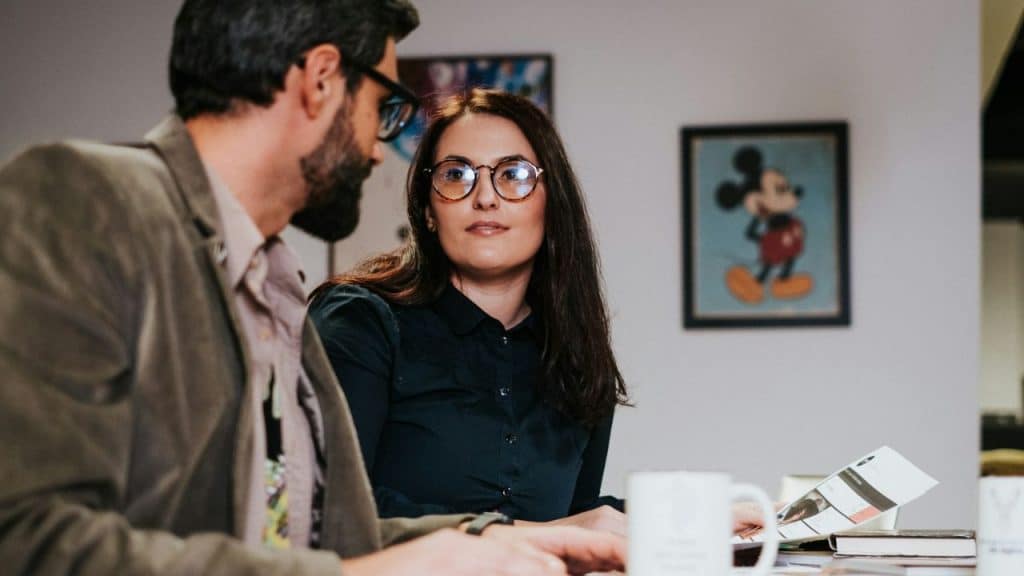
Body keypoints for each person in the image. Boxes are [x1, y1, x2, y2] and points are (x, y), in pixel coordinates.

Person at [0, 1, 625, 574]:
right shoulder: (82, 198)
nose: (381, 152)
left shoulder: (274, 285)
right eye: (382, 107)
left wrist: (510, 540)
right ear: (322, 79)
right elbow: (27, 539)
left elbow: (308, 536)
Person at [309, 89, 629, 534]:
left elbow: (579, 515)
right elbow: (329, 507)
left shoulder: (576, 356)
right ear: (427, 209)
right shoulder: (360, 322)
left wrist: (704, 516)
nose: (485, 197)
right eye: (456, 174)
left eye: (514, 174)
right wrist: (536, 536)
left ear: (551, 204)